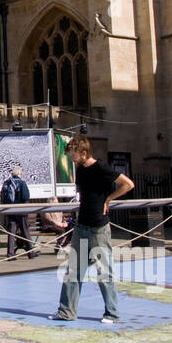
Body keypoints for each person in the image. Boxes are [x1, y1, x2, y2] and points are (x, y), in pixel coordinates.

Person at [51, 135, 134, 323]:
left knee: (104, 271)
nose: (71, 158)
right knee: (73, 270)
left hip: (99, 228)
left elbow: (128, 184)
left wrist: (109, 199)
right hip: (82, 226)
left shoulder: (101, 168)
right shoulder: (80, 170)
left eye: (73, 154)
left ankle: (112, 314)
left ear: (84, 152)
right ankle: (66, 312)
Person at [2, 164, 39, 260]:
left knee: (11, 233)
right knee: (25, 231)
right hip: (21, 211)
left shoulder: (6, 183)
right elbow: (26, 196)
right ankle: (30, 252)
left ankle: (10, 254)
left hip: (10, 211)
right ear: (19, 173)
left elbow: (2, 196)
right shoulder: (22, 183)